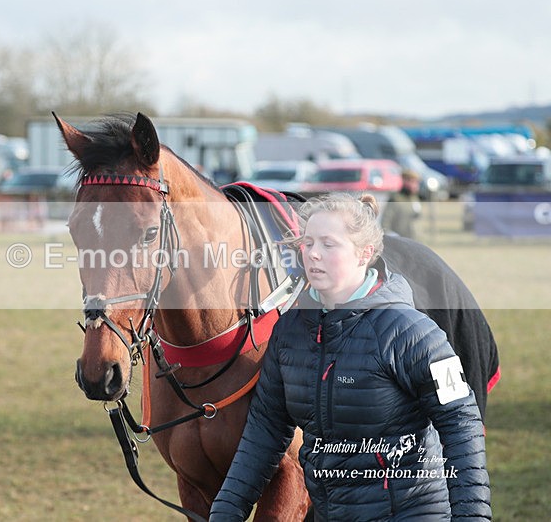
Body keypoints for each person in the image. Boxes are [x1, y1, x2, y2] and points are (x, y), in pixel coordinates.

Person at [210, 193, 490, 521]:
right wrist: (225, 511)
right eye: (308, 242)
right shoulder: (289, 332)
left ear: (364, 254)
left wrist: (472, 517)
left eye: (329, 244)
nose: (313, 254)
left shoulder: (412, 332)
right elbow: (265, 430)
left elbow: (461, 423)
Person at [381, 169, 422, 239]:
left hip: (415, 240)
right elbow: (385, 222)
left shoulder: (414, 198)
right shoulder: (395, 199)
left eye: (416, 182)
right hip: (401, 241)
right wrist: (393, 237)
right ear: (404, 181)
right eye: (412, 181)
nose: (415, 185)